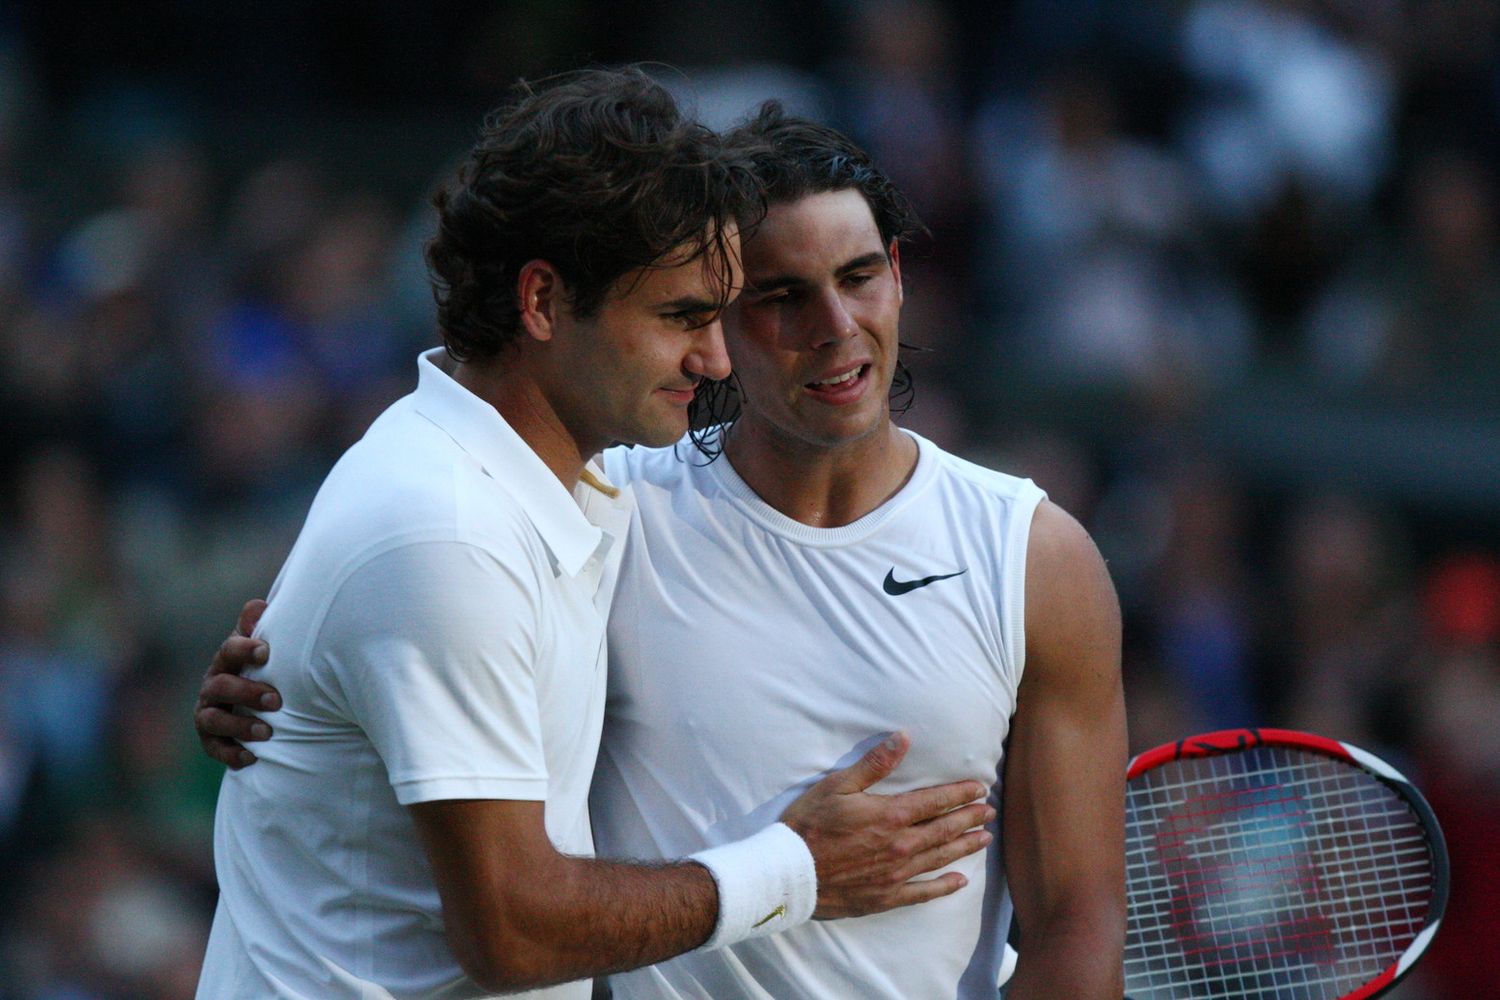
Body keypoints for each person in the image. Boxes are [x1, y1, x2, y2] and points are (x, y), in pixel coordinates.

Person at [198, 100, 1127, 998]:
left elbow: (1078, 931)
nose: (836, 327)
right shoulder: (606, 508)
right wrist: (277, 690)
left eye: (858, 277)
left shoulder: (1034, 558)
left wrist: (295, 685)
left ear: (897, 270)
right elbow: (406, 585)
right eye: (777, 297)